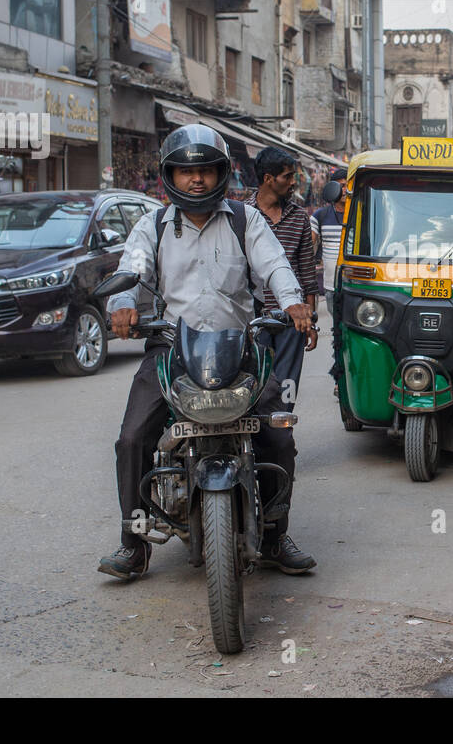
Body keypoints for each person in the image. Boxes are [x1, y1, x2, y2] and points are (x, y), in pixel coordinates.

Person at [99, 124, 316, 581]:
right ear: (170, 176)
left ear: (220, 173)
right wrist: (121, 306)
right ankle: (133, 543)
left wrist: (293, 301)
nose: (195, 180)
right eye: (184, 172)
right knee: (133, 438)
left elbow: (274, 263)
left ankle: (276, 535)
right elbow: (131, 271)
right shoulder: (152, 225)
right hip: (172, 346)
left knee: (278, 435)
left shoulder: (245, 219)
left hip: (239, 344)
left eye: (204, 170)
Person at [244, 146, 321, 405]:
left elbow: (308, 274)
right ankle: (256, 438)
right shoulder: (242, 216)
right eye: (287, 176)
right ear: (269, 179)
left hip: (292, 319)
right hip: (254, 318)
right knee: (254, 380)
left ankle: (283, 429)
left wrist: (311, 320)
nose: (293, 182)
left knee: (287, 383)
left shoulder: (299, 217)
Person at [312, 167, 348, 299]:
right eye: (341, 186)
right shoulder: (319, 216)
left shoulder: (361, 215)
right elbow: (309, 246)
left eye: (347, 186)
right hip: (330, 285)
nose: (345, 190)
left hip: (354, 284)